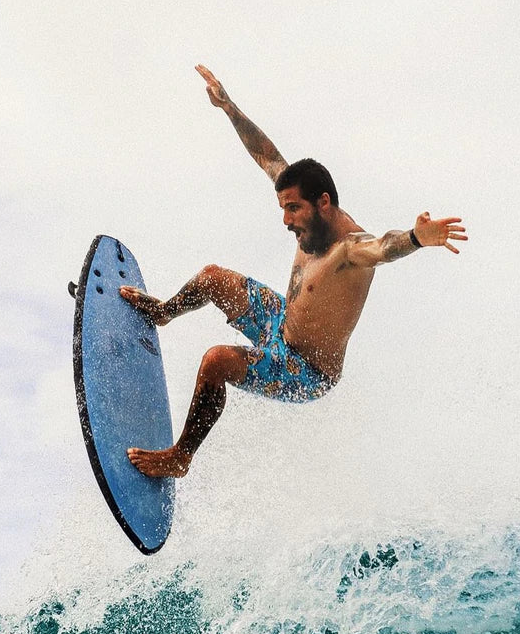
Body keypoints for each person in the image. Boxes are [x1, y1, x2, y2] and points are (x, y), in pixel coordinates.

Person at [120, 65, 467, 478]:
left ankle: (181, 458)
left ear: (323, 202)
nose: (286, 220)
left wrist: (416, 237)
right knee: (212, 276)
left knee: (215, 361)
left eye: (293, 209)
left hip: (305, 371)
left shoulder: (349, 249)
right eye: (283, 207)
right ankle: (163, 313)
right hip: (281, 321)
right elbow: (268, 156)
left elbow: (383, 247)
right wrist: (228, 107)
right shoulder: (307, 220)